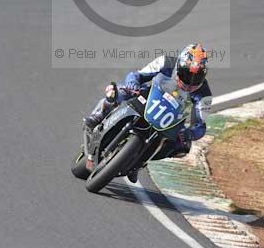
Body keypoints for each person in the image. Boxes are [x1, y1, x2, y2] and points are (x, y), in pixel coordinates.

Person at [84, 43, 213, 183]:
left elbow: (200, 126)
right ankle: (98, 115)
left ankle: (140, 162)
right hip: (147, 96)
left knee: (183, 148)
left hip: (172, 118)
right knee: (118, 91)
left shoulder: (204, 95)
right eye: (187, 75)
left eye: (196, 77)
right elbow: (137, 75)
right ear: (179, 66)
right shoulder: (165, 62)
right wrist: (133, 83)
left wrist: (189, 133)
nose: (191, 81)